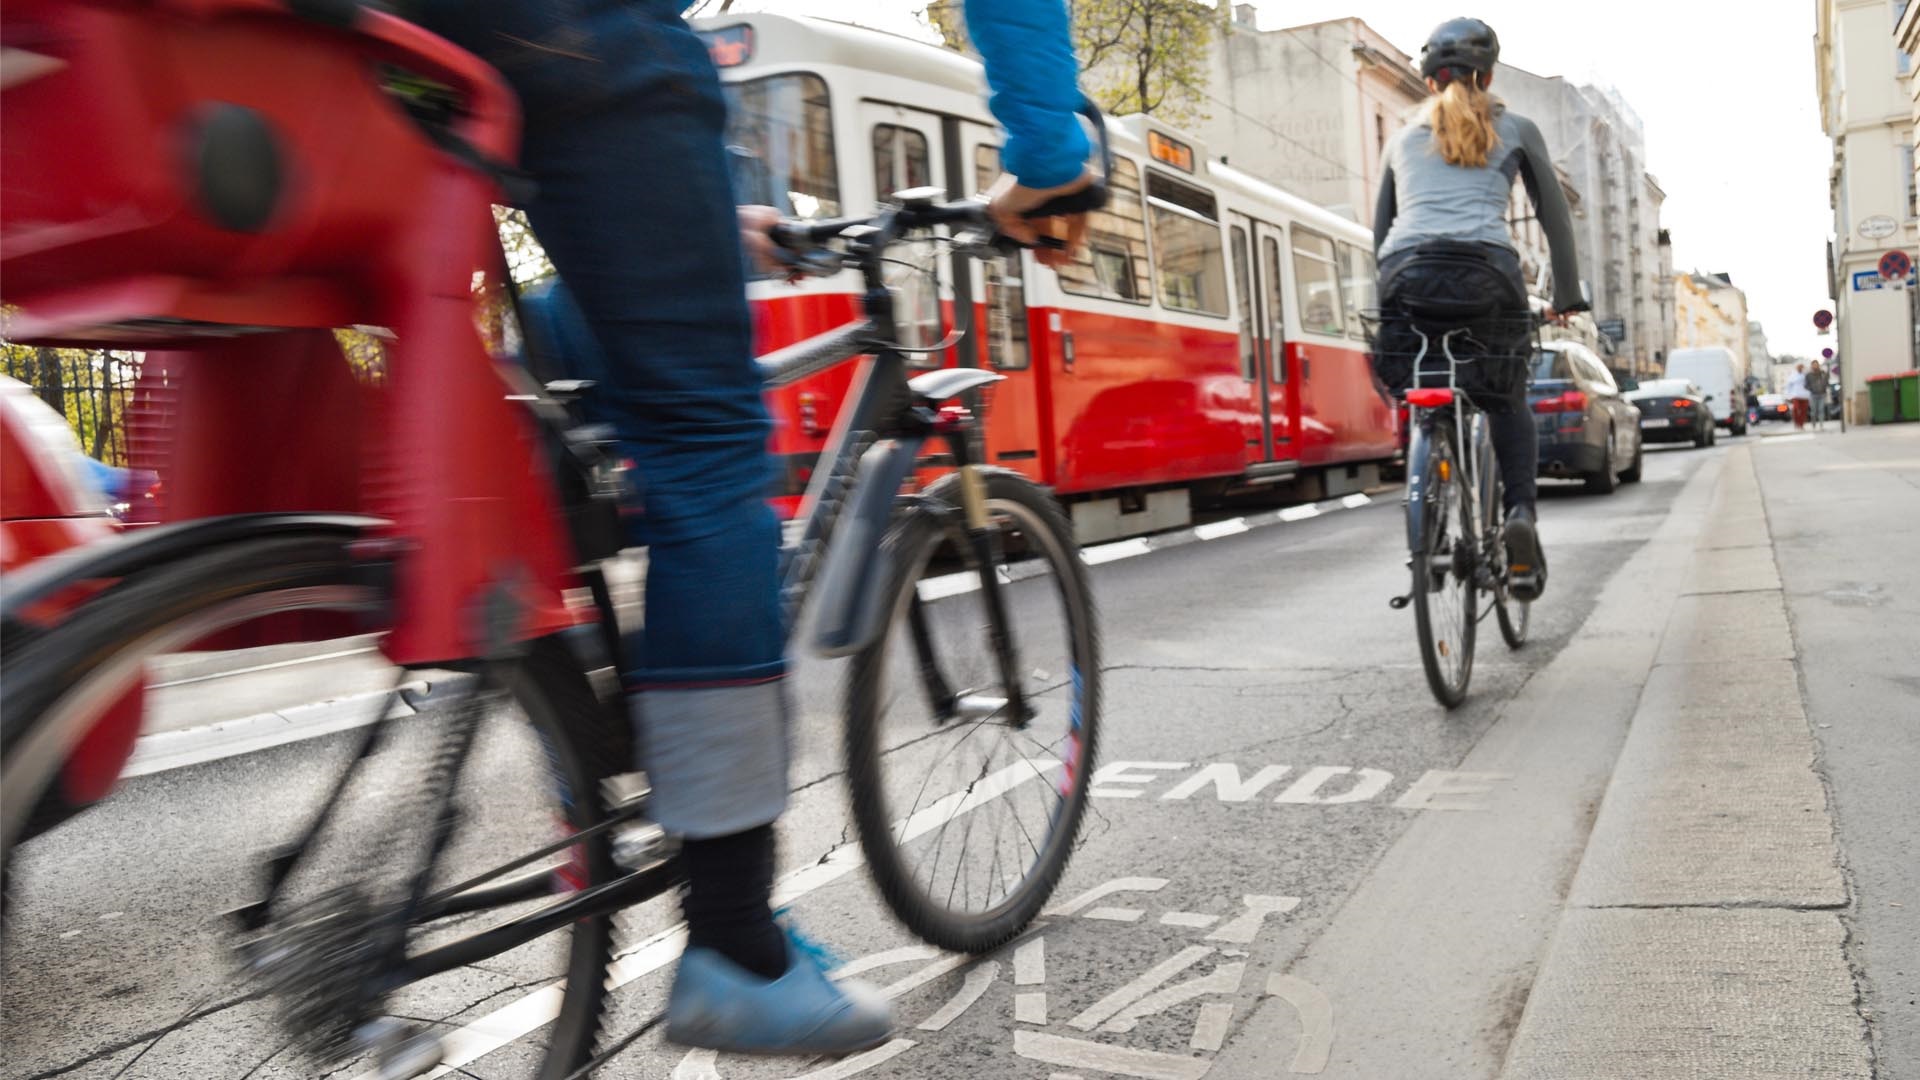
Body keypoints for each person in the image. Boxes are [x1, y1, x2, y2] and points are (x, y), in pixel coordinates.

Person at [408, 0, 1095, 1056]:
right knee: (707, 446)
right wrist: (1051, 153)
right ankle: (734, 941)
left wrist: (702, 225)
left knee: (572, 371)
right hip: (565, 32)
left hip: (370, 44)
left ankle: (569, 706)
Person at [1373, 17, 1585, 602]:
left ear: (1428, 81)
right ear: (1487, 75)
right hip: (1488, 276)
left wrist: (1387, 297)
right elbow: (1554, 219)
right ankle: (1519, 511)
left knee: (1423, 384)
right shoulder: (1515, 127)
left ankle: (1429, 488)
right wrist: (1567, 293)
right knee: (1504, 397)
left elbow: (1381, 230)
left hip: (1406, 276)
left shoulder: (1400, 138)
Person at [1807, 360, 1831, 430]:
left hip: (1822, 394)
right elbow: (1806, 385)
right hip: (1813, 395)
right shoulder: (1809, 375)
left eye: (1816, 364)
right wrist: (1811, 388)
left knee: (1821, 409)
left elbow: (1827, 380)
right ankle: (1813, 423)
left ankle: (1821, 425)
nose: (1815, 366)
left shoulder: (1822, 373)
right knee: (1813, 411)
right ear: (1811, 366)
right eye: (1814, 364)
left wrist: (1828, 369)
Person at [1787, 362, 1811, 429]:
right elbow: (1789, 386)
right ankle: (1796, 423)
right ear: (1796, 368)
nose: (1800, 368)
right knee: (1796, 409)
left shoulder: (1805, 375)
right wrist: (1789, 395)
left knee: (1804, 411)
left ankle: (1801, 424)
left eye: (1801, 367)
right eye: (1799, 367)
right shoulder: (1792, 375)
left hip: (1805, 396)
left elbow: (1809, 384)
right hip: (1796, 395)